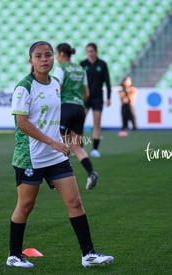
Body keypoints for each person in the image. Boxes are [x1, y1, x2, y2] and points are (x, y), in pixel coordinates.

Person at [6, 41, 113, 268]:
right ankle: (14, 255)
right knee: (26, 206)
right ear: (31, 61)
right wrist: (54, 142)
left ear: (54, 58)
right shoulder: (23, 87)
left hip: (55, 155)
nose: (44, 59)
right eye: (39, 56)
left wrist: (57, 143)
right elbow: (22, 123)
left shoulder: (55, 83)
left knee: (75, 201)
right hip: (30, 156)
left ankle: (88, 254)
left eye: (48, 55)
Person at [53, 43, 99, 190]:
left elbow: (56, 89)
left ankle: (60, 179)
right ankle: (91, 172)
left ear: (61, 54)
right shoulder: (81, 69)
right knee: (77, 146)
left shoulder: (60, 68)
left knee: (60, 145)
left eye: (55, 54)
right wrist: (78, 103)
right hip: (79, 107)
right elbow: (87, 94)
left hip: (65, 107)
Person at [80, 42, 111, 158]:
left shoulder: (102, 64)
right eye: (88, 51)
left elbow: (107, 82)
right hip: (85, 97)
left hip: (98, 97)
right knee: (80, 123)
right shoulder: (83, 64)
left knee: (96, 123)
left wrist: (108, 97)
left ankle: (95, 149)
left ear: (96, 51)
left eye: (91, 51)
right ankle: (80, 147)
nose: (89, 53)